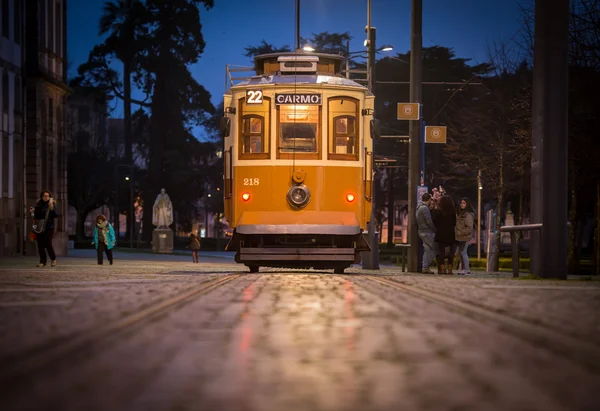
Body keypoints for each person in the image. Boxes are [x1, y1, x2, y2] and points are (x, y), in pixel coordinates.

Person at [30, 190, 59, 268]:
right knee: (40, 245)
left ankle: (53, 259)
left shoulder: (52, 204)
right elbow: (35, 216)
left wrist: (51, 208)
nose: (45, 197)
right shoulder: (38, 204)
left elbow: (56, 215)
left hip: (49, 227)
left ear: (49, 197)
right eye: (44, 196)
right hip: (40, 227)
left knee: (48, 243)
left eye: (47, 196)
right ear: (41, 197)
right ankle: (43, 262)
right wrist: (32, 212)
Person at [433, 195, 457, 274]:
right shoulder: (453, 212)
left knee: (441, 252)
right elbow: (454, 223)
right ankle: (450, 269)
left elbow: (435, 223)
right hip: (451, 234)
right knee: (451, 253)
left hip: (440, 234)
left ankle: (442, 269)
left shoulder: (438, 212)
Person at [416, 193, 437, 274]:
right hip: (427, 232)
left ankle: (425, 267)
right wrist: (434, 229)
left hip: (421, 231)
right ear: (428, 199)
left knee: (427, 249)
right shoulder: (425, 208)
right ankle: (425, 265)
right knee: (436, 248)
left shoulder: (418, 207)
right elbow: (428, 221)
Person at [455, 197, 475, 275]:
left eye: (464, 203)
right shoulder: (462, 213)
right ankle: (464, 269)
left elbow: (469, 227)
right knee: (461, 253)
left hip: (464, 236)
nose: (462, 205)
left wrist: (461, 232)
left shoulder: (468, 214)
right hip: (460, 237)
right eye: (461, 203)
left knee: (463, 252)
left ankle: (467, 269)